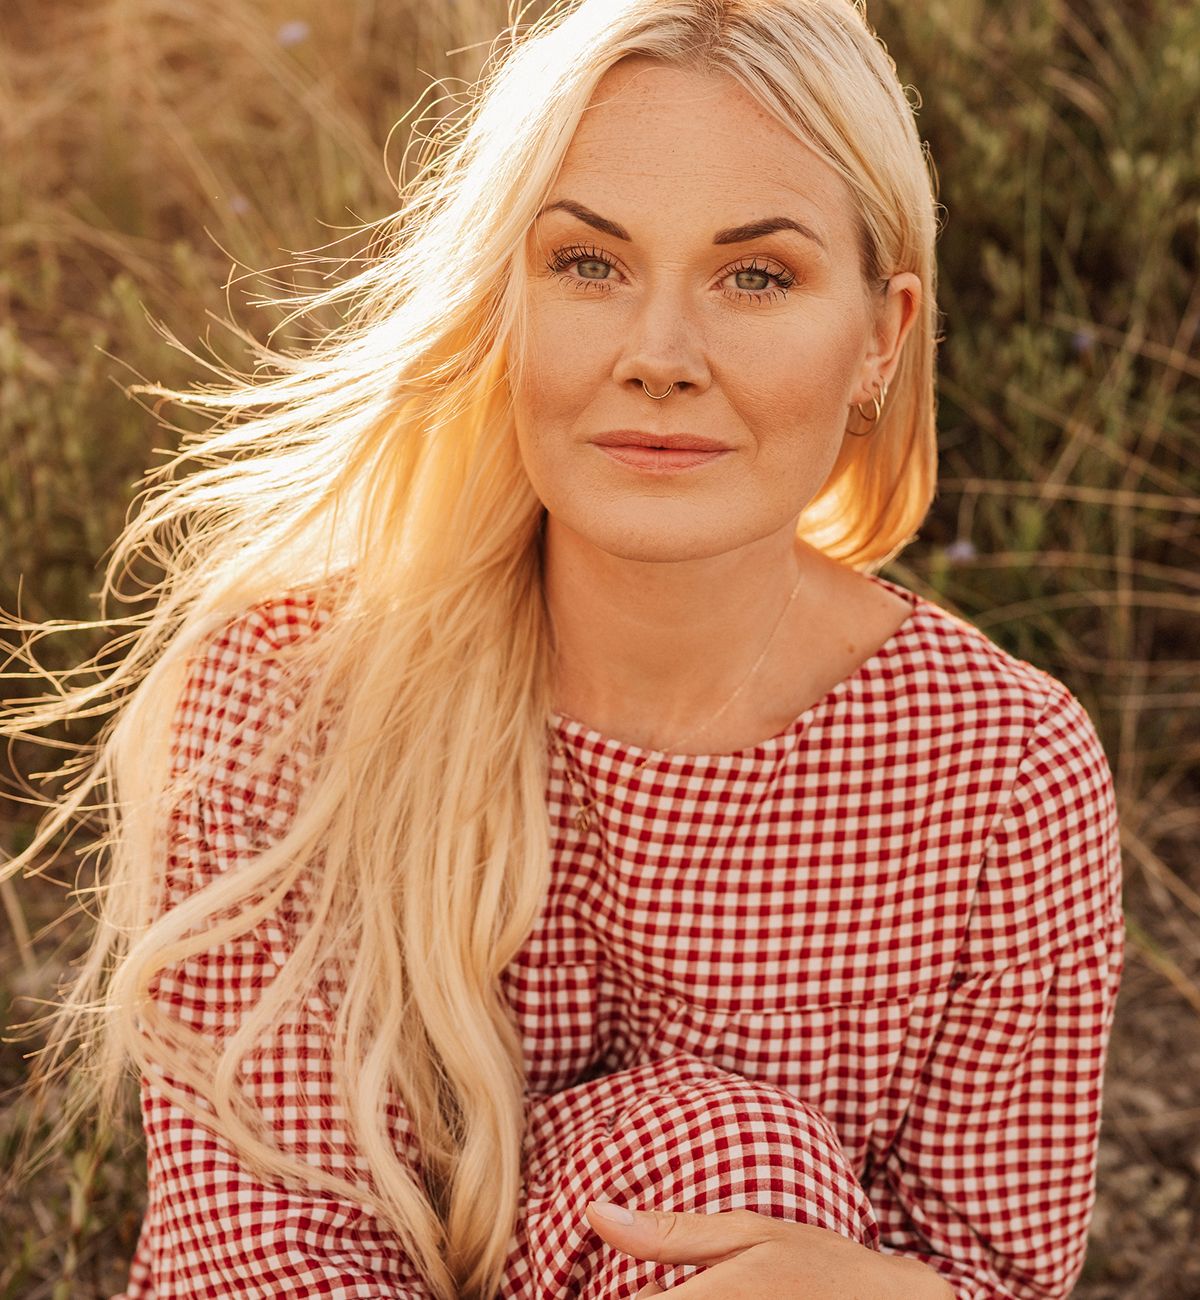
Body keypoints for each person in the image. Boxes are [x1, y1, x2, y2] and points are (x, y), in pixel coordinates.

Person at [3, 1, 1124, 1297]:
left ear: (879, 334)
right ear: (503, 303)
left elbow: (1000, 1271)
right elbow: (259, 1257)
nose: (659, 357)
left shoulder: (1002, 765)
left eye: (757, 275)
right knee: (712, 1160)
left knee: (729, 1180)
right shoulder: (289, 694)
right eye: (588, 265)